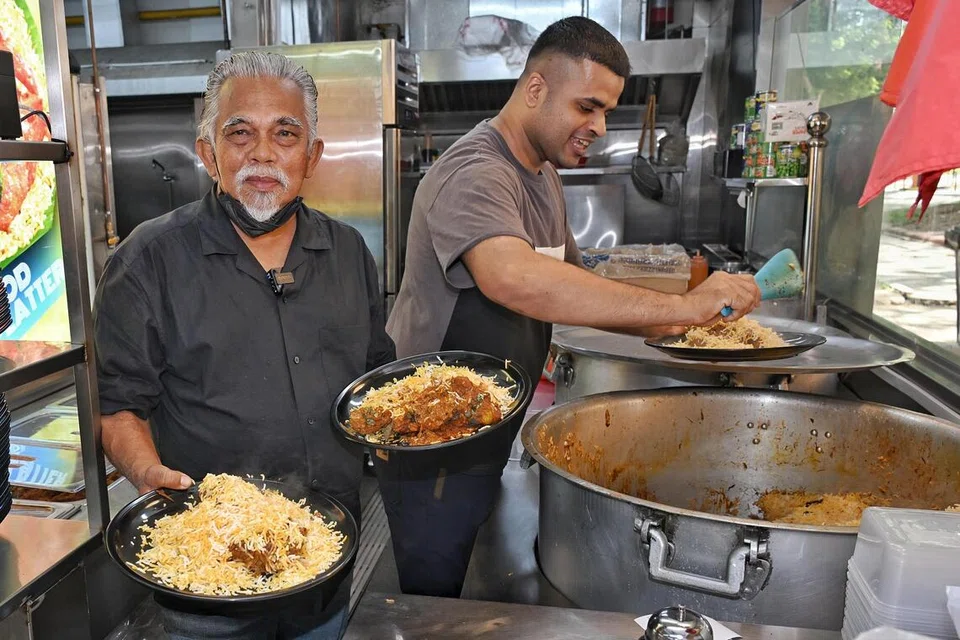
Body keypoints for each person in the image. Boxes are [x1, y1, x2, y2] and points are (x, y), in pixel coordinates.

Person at [378, 16, 761, 599]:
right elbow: (515, 277)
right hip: (435, 440)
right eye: (587, 107)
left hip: (487, 424)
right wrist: (687, 307)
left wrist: (682, 317)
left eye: (606, 111)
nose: (600, 127)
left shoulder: (543, 173)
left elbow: (574, 280)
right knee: (433, 599)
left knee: (466, 567)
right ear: (535, 89)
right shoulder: (476, 171)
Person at [94, 51, 395, 639]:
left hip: (325, 556)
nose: (263, 154)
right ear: (208, 154)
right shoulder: (147, 261)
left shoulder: (350, 254)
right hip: (209, 569)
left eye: (285, 134)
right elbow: (117, 403)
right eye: (240, 134)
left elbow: (373, 381)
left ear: (312, 156)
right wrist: (146, 470)